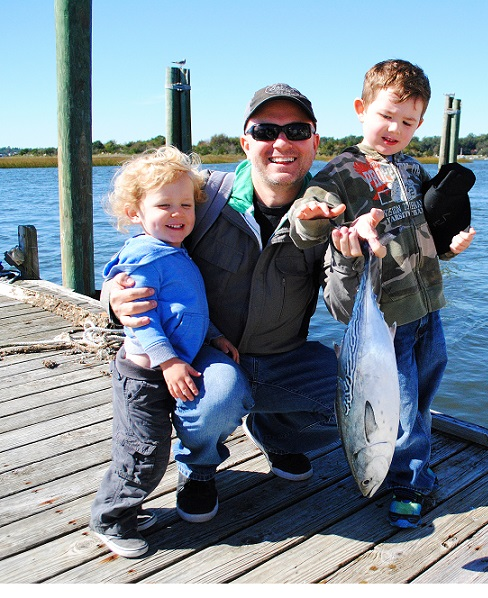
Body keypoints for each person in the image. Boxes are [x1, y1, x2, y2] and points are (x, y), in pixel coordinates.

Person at [103, 84, 339, 535]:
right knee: (218, 397)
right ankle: (199, 466)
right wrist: (112, 295)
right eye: (266, 130)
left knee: (352, 398)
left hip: (282, 357)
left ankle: (274, 433)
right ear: (246, 141)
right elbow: (139, 256)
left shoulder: (331, 210)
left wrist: (365, 255)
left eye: (296, 130)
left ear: (315, 142)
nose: (282, 142)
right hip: (205, 359)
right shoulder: (202, 197)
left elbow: (345, 306)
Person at [289, 59, 476, 529]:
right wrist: (311, 216)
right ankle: (407, 480)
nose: (395, 128)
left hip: (427, 306)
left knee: (425, 390)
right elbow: (308, 219)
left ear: (420, 124)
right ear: (361, 109)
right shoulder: (340, 172)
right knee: (402, 403)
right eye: (386, 115)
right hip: (383, 319)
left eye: (408, 121)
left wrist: (449, 248)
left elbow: (426, 234)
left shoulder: (413, 168)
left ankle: (413, 459)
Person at [90, 146, 243, 558]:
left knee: (148, 450)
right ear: (134, 211)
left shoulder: (174, 250)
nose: (178, 213)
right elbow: (142, 320)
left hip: (169, 366)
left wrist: (212, 335)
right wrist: (170, 361)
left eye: (185, 204)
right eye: (164, 205)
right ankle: (110, 518)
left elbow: (187, 306)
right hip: (146, 374)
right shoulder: (143, 255)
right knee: (143, 453)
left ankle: (127, 507)